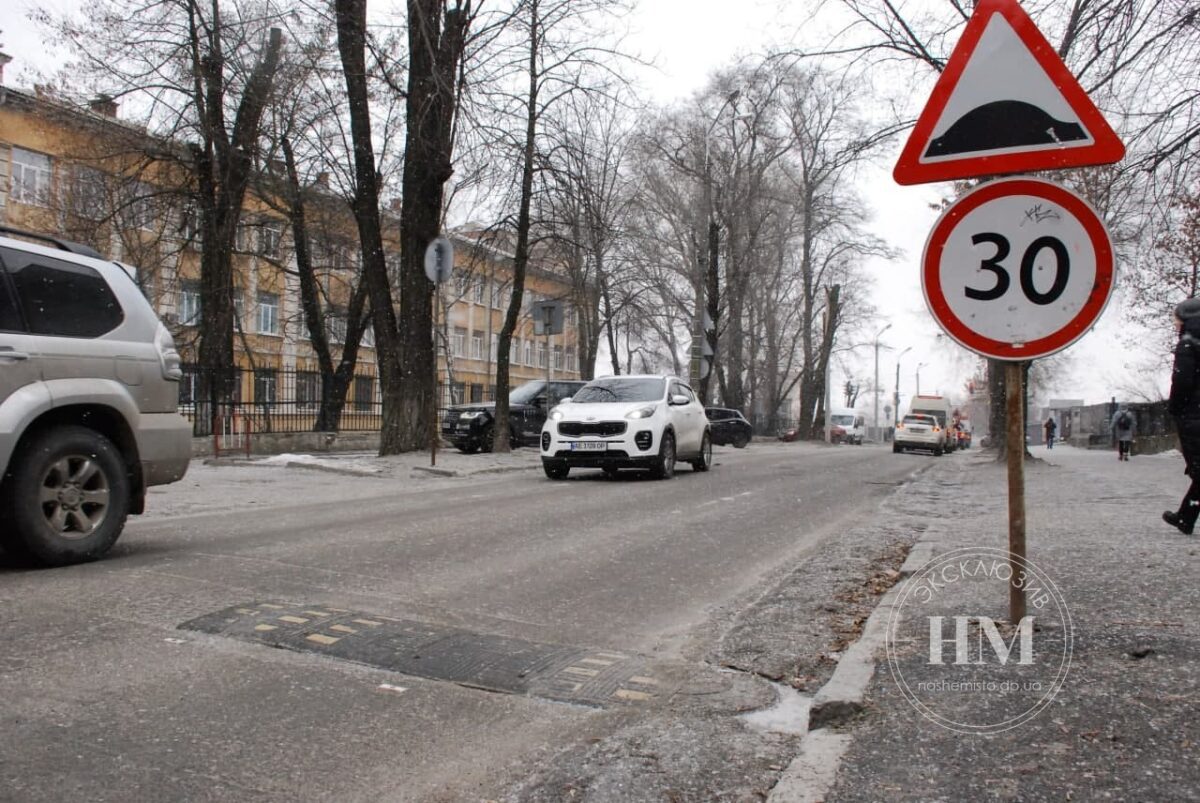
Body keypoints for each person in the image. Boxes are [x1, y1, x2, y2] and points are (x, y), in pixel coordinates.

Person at [1164, 297, 1200, 535]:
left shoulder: (1187, 344)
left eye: (1176, 319)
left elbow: (1182, 381)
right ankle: (1185, 516)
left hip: (1193, 414)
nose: (1175, 324)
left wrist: (1175, 408)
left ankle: (1186, 517)